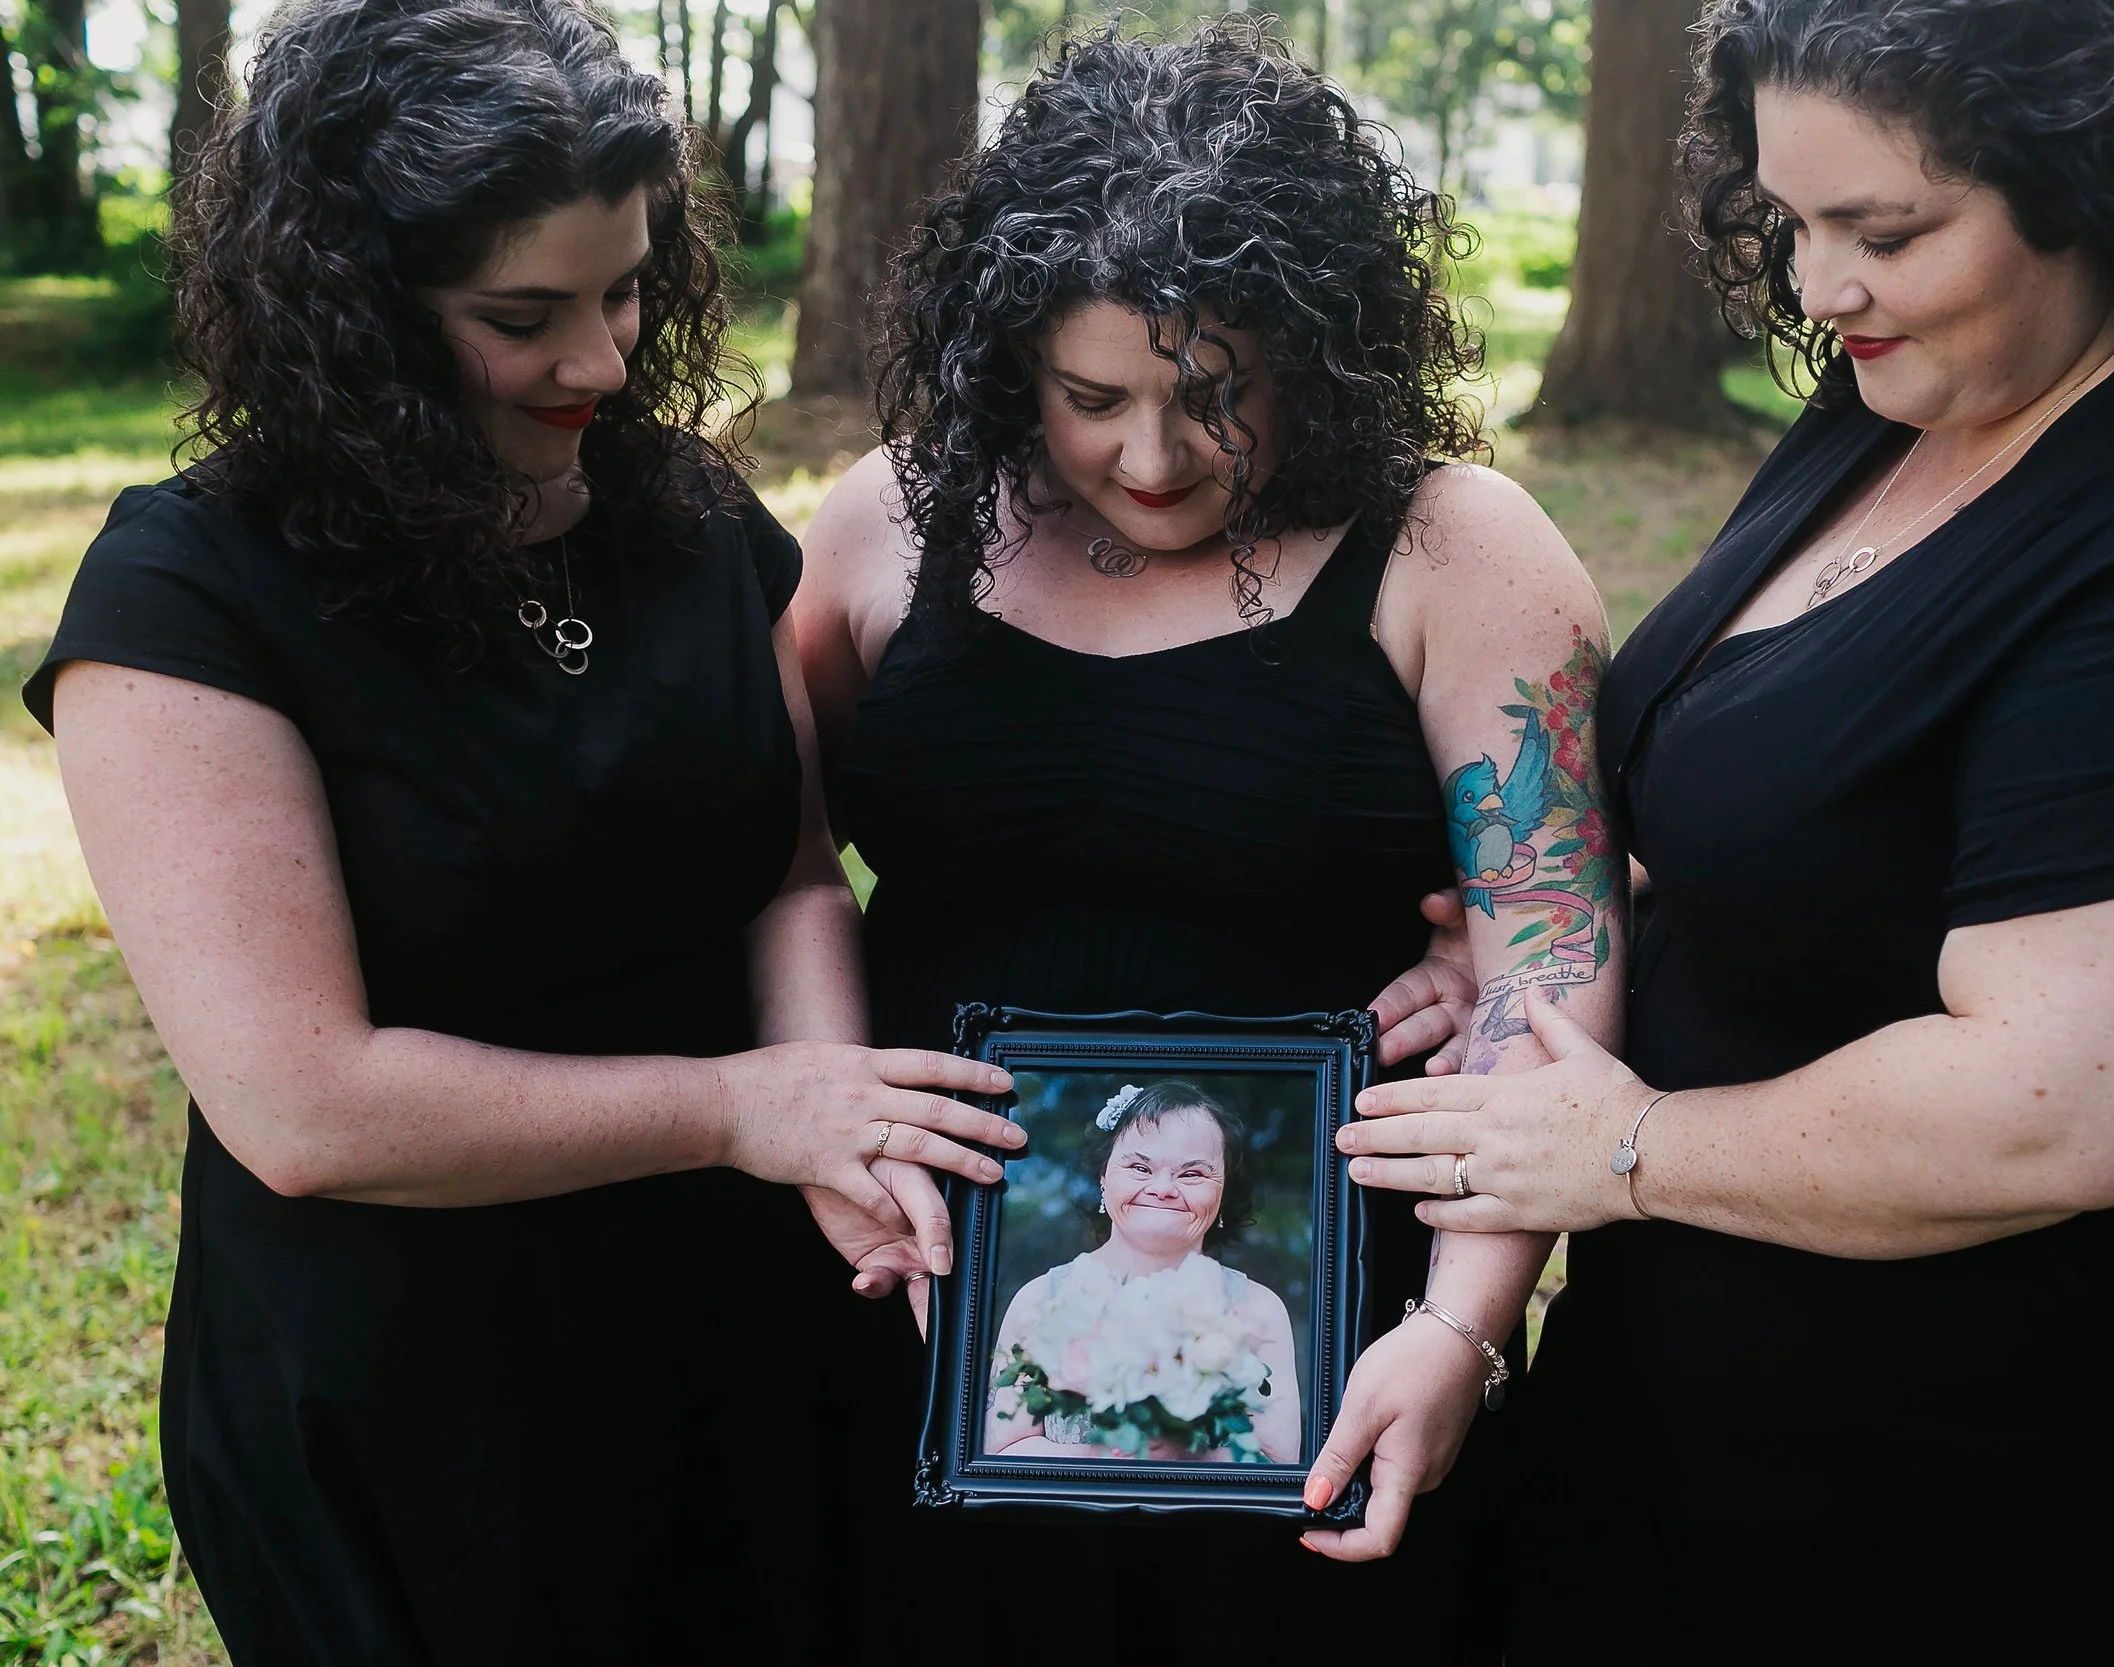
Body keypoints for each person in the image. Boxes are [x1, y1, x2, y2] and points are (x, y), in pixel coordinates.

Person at [1342, 1, 2114, 1660]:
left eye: (1884, 230)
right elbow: (1823, 783)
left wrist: (1622, 1149)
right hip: (1715, 1455)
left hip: (2050, 1502)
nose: (1816, 287)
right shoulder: (1914, 399)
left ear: (2102, 182)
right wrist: (1588, 947)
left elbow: (2057, 1108)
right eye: (1796, 221)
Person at [24, 0, 1030, 1657]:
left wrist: (832, 1123)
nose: (604, 361)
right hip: (428, 1360)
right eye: (523, 315)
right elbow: (306, 1104)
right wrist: (739, 1108)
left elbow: (784, 866)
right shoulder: (188, 596)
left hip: (735, 1300)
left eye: (628, 288)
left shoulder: (688, 515)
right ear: (347, 313)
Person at [790, 19, 1624, 1663]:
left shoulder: (1455, 546)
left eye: (1215, 395)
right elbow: (783, 855)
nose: (1155, 459)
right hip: (925, 1262)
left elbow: (1555, 953)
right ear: (1008, 346)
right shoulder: (883, 520)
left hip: (1327, 1308)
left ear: (1316, 344)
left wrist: (1466, 1319)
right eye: (1092, 398)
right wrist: (824, 1108)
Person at [986, 1081, 1300, 1465]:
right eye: (1139, 1167)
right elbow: (1002, 1451)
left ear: (1223, 1193)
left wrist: (1183, 1459)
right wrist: (1113, 1457)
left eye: (1192, 1174)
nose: (1163, 1188)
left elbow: (1276, 1460)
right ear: (1104, 1177)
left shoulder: (1257, 1310)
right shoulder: (1042, 1299)